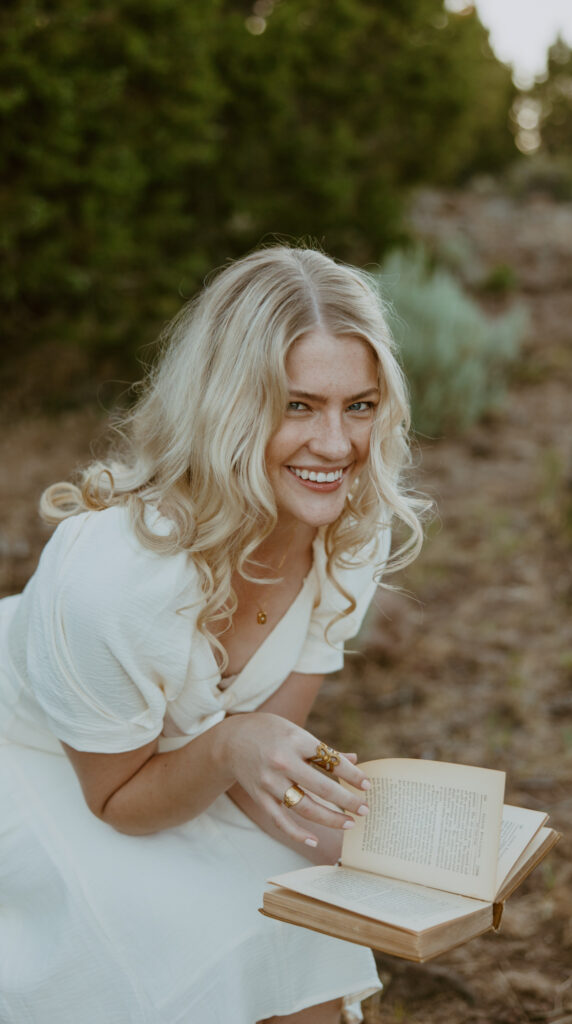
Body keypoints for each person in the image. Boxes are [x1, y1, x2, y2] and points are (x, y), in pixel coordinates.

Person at [0, 246, 426, 1024]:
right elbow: (118, 800)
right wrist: (235, 748)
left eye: (358, 406)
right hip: (39, 761)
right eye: (297, 406)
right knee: (170, 955)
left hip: (172, 767)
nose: (336, 446)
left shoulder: (347, 535)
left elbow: (262, 740)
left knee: (304, 930)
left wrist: (349, 838)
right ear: (225, 405)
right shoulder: (116, 580)